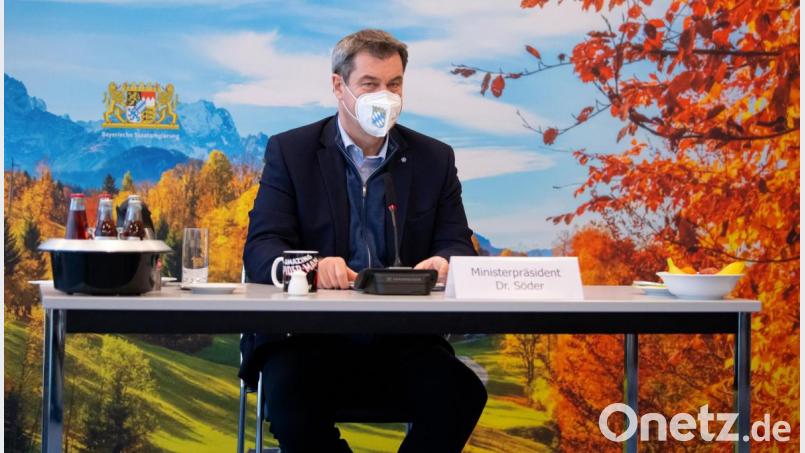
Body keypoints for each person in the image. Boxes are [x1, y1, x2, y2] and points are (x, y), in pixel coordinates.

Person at [242, 29, 487, 452]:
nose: (385, 97)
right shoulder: (291, 151)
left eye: (394, 85)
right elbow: (263, 247)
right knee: (291, 399)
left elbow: (457, 243)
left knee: (461, 392)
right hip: (309, 340)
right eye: (370, 85)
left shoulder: (434, 158)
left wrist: (445, 263)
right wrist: (310, 267)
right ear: (339, 87)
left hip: (404, 338)